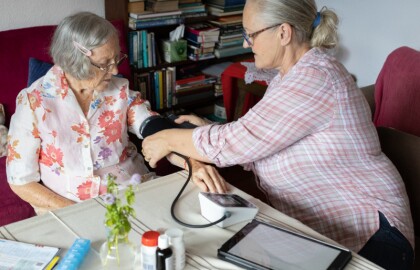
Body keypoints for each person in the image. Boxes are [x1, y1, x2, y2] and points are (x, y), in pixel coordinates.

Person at [141, 1, 415, 269]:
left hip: (375, 235)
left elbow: (234, 143)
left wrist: (166, 138)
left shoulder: (315, 78)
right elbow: (256, 143)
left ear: (283, 32)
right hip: (324, 235)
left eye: (251, 34)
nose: (247, 43)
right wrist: (203, 131)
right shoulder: (287, 77)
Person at [6, 12, 227, 215]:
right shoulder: (33, 102)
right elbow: (21, 181)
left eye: (116, 59)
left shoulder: (119, 90)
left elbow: (152, 128)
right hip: (68, 207)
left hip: (132, 193)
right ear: (73, 62)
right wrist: (79, 214)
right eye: (104, 64)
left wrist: (193, 163)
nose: (114, 71)